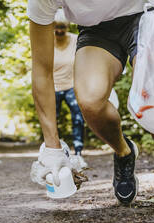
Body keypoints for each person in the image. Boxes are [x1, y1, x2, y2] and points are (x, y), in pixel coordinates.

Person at [28, 0, 154, 210]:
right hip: (96, 31)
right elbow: (41, 71)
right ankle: (124, 152)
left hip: (145, 15)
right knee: (90, 102)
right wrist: (52, 148)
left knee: (153, 91)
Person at [52, 10, 87, 169]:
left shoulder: (75, 40)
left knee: (78, 118)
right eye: (56, 27)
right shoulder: (47, 42)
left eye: (62, 27)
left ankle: (78, 153)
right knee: (53, 120)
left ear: (67, 26)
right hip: (53, 87)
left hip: (72, 86)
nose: (59, 31)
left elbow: (85, 60)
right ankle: (55, 154)